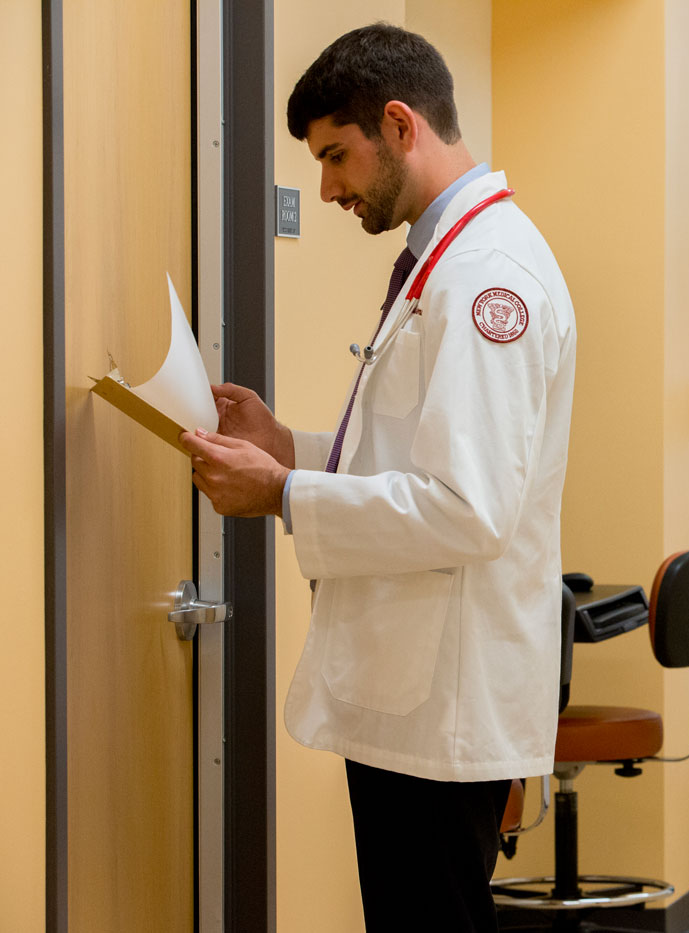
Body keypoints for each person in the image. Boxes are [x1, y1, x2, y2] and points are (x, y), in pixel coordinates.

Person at [178, 25, 576, 932]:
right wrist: (290, 448)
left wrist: (279, 494)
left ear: (399, 124)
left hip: (443, 694)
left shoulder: (486, 279)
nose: (324, 189)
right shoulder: (444, 260)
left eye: (334, 157)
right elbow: (414, 459)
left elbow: (467, 509)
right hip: (418, 684)